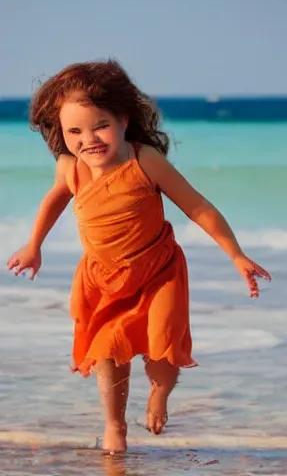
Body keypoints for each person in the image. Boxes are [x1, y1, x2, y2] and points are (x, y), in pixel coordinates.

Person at [6, 59, 272, 454]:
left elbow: (197, 206)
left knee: (162, 344)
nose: (89, 139)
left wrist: (236, 254)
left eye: (100, 126)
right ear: (61, 133)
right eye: (74, 131)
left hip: (157, 271)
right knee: (107, 351)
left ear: (123, 121)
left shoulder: (144, 160)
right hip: (103, 278)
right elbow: (53, 203)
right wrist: (34, 245)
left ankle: (159, 394)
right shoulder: (69, 168)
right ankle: (115, 425)